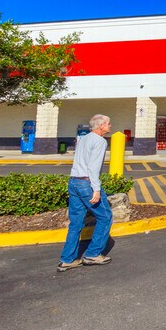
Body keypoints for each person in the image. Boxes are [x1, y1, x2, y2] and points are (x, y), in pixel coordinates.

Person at [57, 114, 114, 272]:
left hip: (74, 181)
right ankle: (93, 254)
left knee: (75, 223)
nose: (110, 126)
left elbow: (79, 161)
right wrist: (96, 189)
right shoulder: (100, 141)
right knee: (105, 217)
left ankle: (67, 259)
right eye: (108, 124)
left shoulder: (83, 139)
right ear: (101, 126)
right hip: (86, 184)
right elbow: (93, 167)